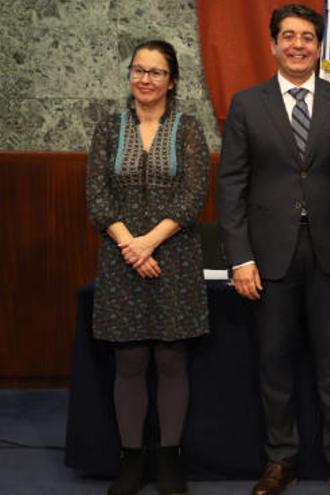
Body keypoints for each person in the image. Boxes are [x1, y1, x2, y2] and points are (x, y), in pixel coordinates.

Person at [216, 4, 330, 495]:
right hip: (268, 258)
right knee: (275, 364)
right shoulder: (246, 104)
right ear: (273, 44)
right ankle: (280, 460)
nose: (298, 45)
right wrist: (240, 257)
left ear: (318, 46)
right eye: (289, 36)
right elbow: (232, 187)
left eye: (308, 37)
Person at [86, 39, 209, 495]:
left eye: (156, 72)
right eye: (139, 70)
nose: (145, 79)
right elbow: (96, 197)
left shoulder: (188, 129)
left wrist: (150, 242)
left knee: (172, 359)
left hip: (174, 256)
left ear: (171, 81)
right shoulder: (107, 128)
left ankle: (170, 459)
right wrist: (129, 246)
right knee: (131, 360)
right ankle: (132, 461)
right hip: (122, 260)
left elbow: (193, 196)